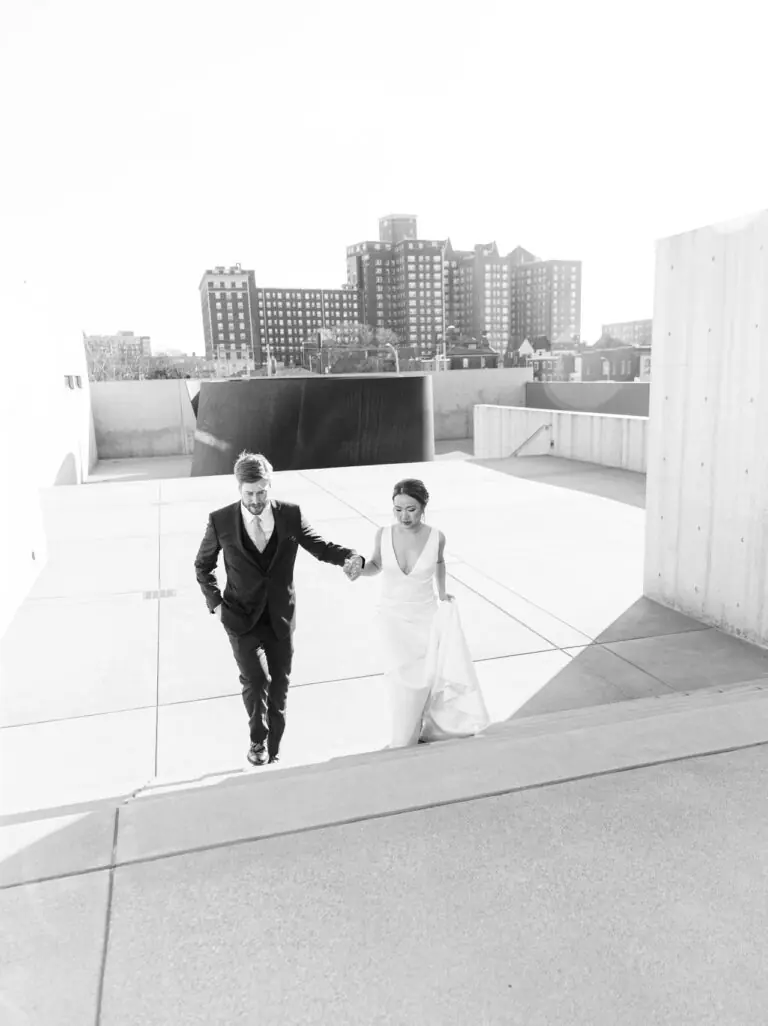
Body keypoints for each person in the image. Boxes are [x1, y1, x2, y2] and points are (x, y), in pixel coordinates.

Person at [194, 451, 364, 766]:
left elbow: (320, 546)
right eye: (249, 494)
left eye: (261, 492)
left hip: (280, 618)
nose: (256, 500)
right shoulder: (220, 521)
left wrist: (350, 557)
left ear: (269, 485)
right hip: (240, 617)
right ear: (238, 488)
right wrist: (215, 604)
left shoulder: (290, 516)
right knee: (256, 680)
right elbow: (203, 566)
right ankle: (257, 742)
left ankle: (273, 749)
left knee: (279, 688)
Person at [345, 478, 453, 747]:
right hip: (392, 619)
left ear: (423, 506)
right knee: (401, 681)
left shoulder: (436, 537)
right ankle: (404, 738)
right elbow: (375, 565)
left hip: (425, 617)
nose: (404, 516)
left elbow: (439, 564)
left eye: (411, 509)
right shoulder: (383, 534)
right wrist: (359, 571)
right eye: (398, 509)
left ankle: (419, 727)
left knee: (426, 680)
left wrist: (443, 595)